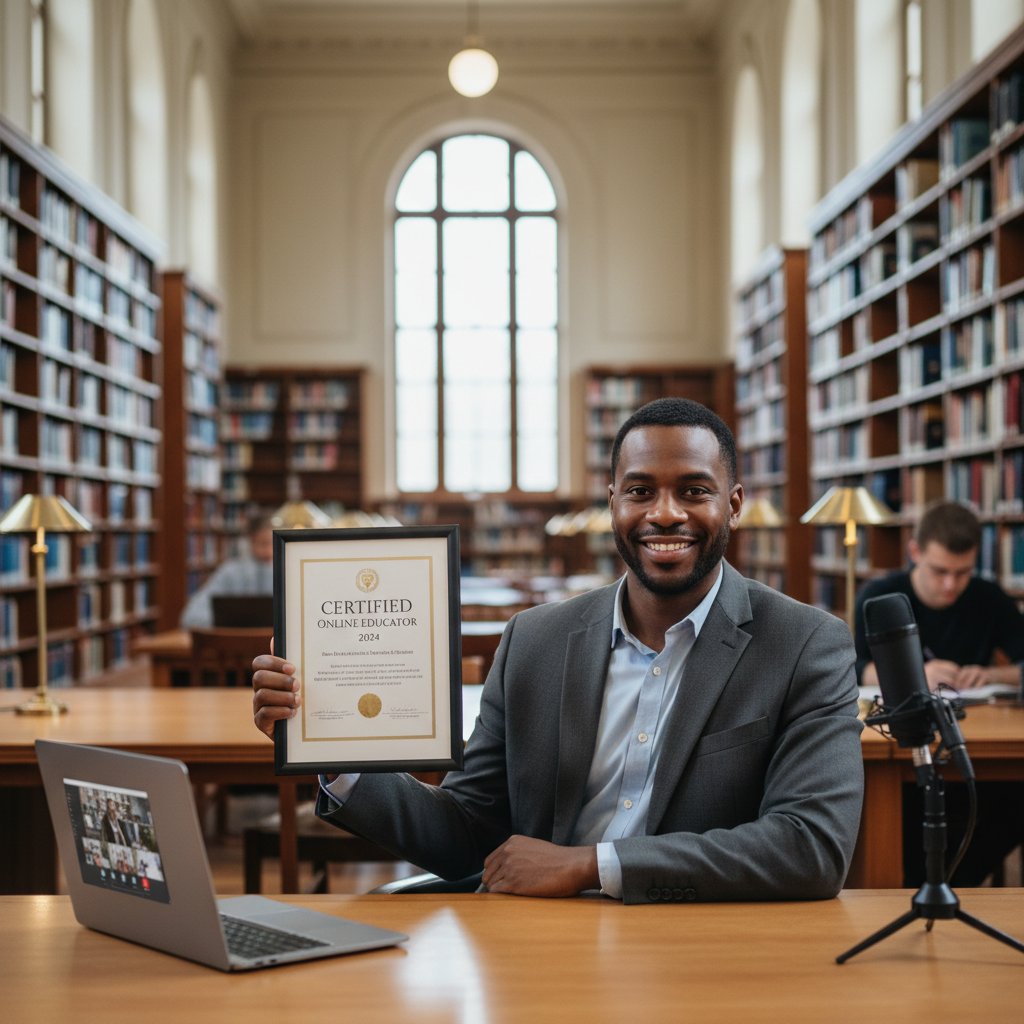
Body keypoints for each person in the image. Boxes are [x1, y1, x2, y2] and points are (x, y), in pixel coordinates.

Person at [252, 398, 864, 903]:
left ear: (733, 504)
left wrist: (589, 865)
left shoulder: (806, 644)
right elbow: (468, 834)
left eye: (694, 491)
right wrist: (330, 747)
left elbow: (809, 846)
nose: (665, 514)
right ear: (614, 503)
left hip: (697, 944)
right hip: (532, 942)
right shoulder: (534, 641)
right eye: (641, 491)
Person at [853, 498, 1024, 886]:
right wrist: (915, 675)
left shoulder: (988, 597)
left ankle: (950, 883)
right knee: (899, 807)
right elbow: (855, 667)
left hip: (976, 740)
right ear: (914, 552)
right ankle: (920, 884)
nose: (951, 585)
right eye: (940, 571)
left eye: (962, 573)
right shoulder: (882, 597)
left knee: (1011, 799)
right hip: (909, 742)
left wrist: (994, 673)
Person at [180, 512, 274, 628]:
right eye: (264, 544)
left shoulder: (288, 573)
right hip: (236, 642)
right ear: (251, 541)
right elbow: (191, 617)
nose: (269, 551)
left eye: (275, 544)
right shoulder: (229, 573)